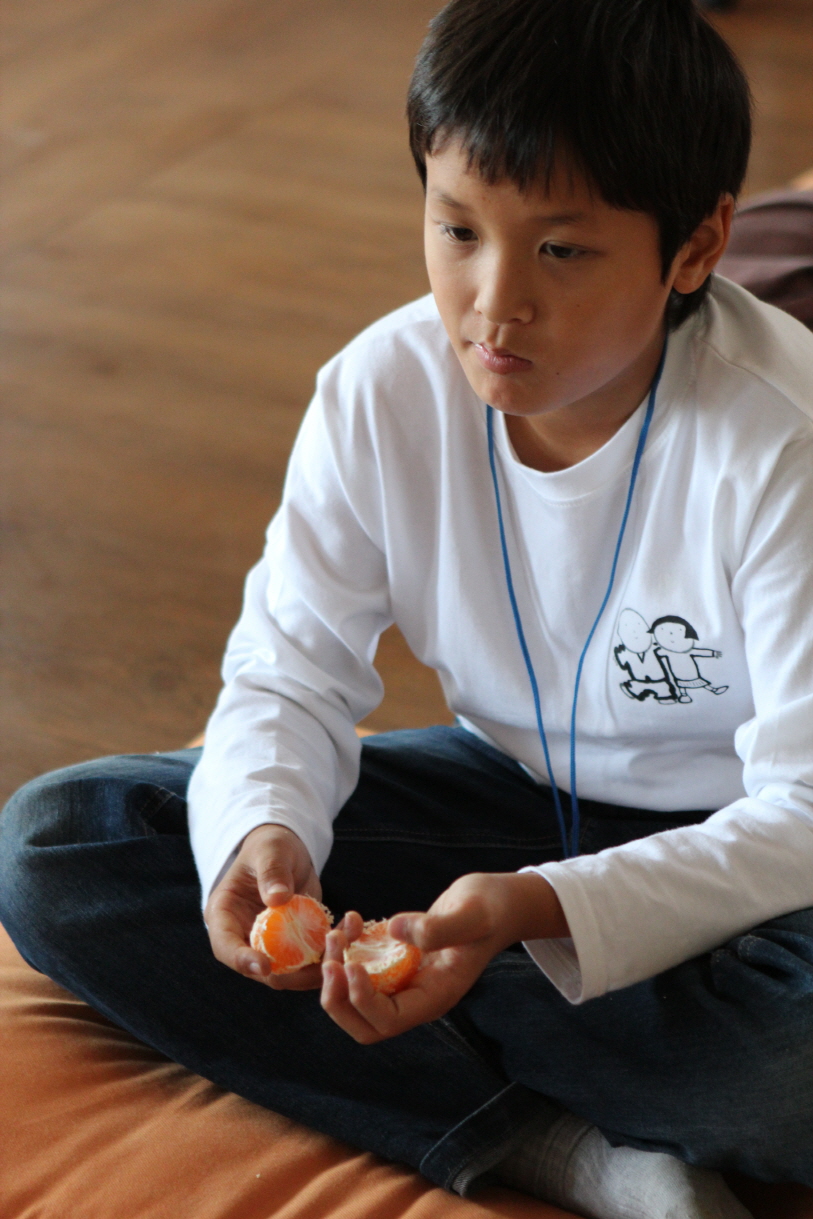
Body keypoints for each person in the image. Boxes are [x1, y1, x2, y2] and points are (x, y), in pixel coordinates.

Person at [2, 1, 812, 1217]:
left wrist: (532, 910)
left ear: (694, 248)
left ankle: (475, 1033)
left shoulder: (783, 443)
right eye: (457, 229)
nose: (494, 303)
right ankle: (567, 1146)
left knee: (790, 1067)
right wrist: (265, 829)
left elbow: (803, 810)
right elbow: (288, 669)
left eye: (562, 251)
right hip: (514, 799)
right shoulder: (378, 392)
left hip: (753, 853)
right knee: (61, 846)